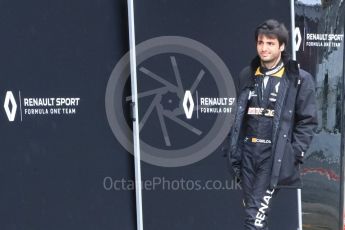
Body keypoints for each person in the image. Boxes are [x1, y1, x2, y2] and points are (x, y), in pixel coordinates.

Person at [228, 19, 317, 230]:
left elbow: (308, 121)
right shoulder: (246, 75)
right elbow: (239, 117)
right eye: (261, 42)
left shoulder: (299, 79)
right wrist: (234, 150)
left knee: (254, 217)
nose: (264, 48)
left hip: (273, 156)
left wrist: (293, 154)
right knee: (255, 214)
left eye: (270, 43)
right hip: (248, 154)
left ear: (282, 46)